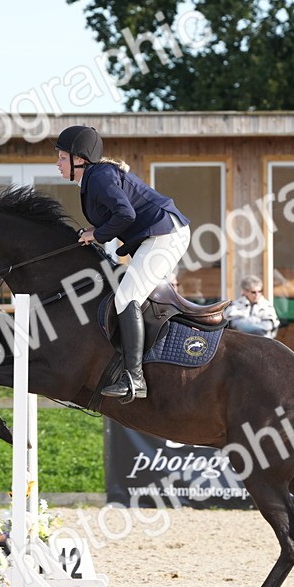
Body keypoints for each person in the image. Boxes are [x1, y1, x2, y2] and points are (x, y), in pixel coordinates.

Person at [56, 125, 191, 402]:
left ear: (79, 159)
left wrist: (95, 234)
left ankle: (135, 378)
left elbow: (125, 214)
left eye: (61, 157)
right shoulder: (95, 177)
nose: (56, 163)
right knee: (126, 293)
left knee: (126, 297)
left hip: (165, 234)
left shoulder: (99, 177)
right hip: (157, 235)